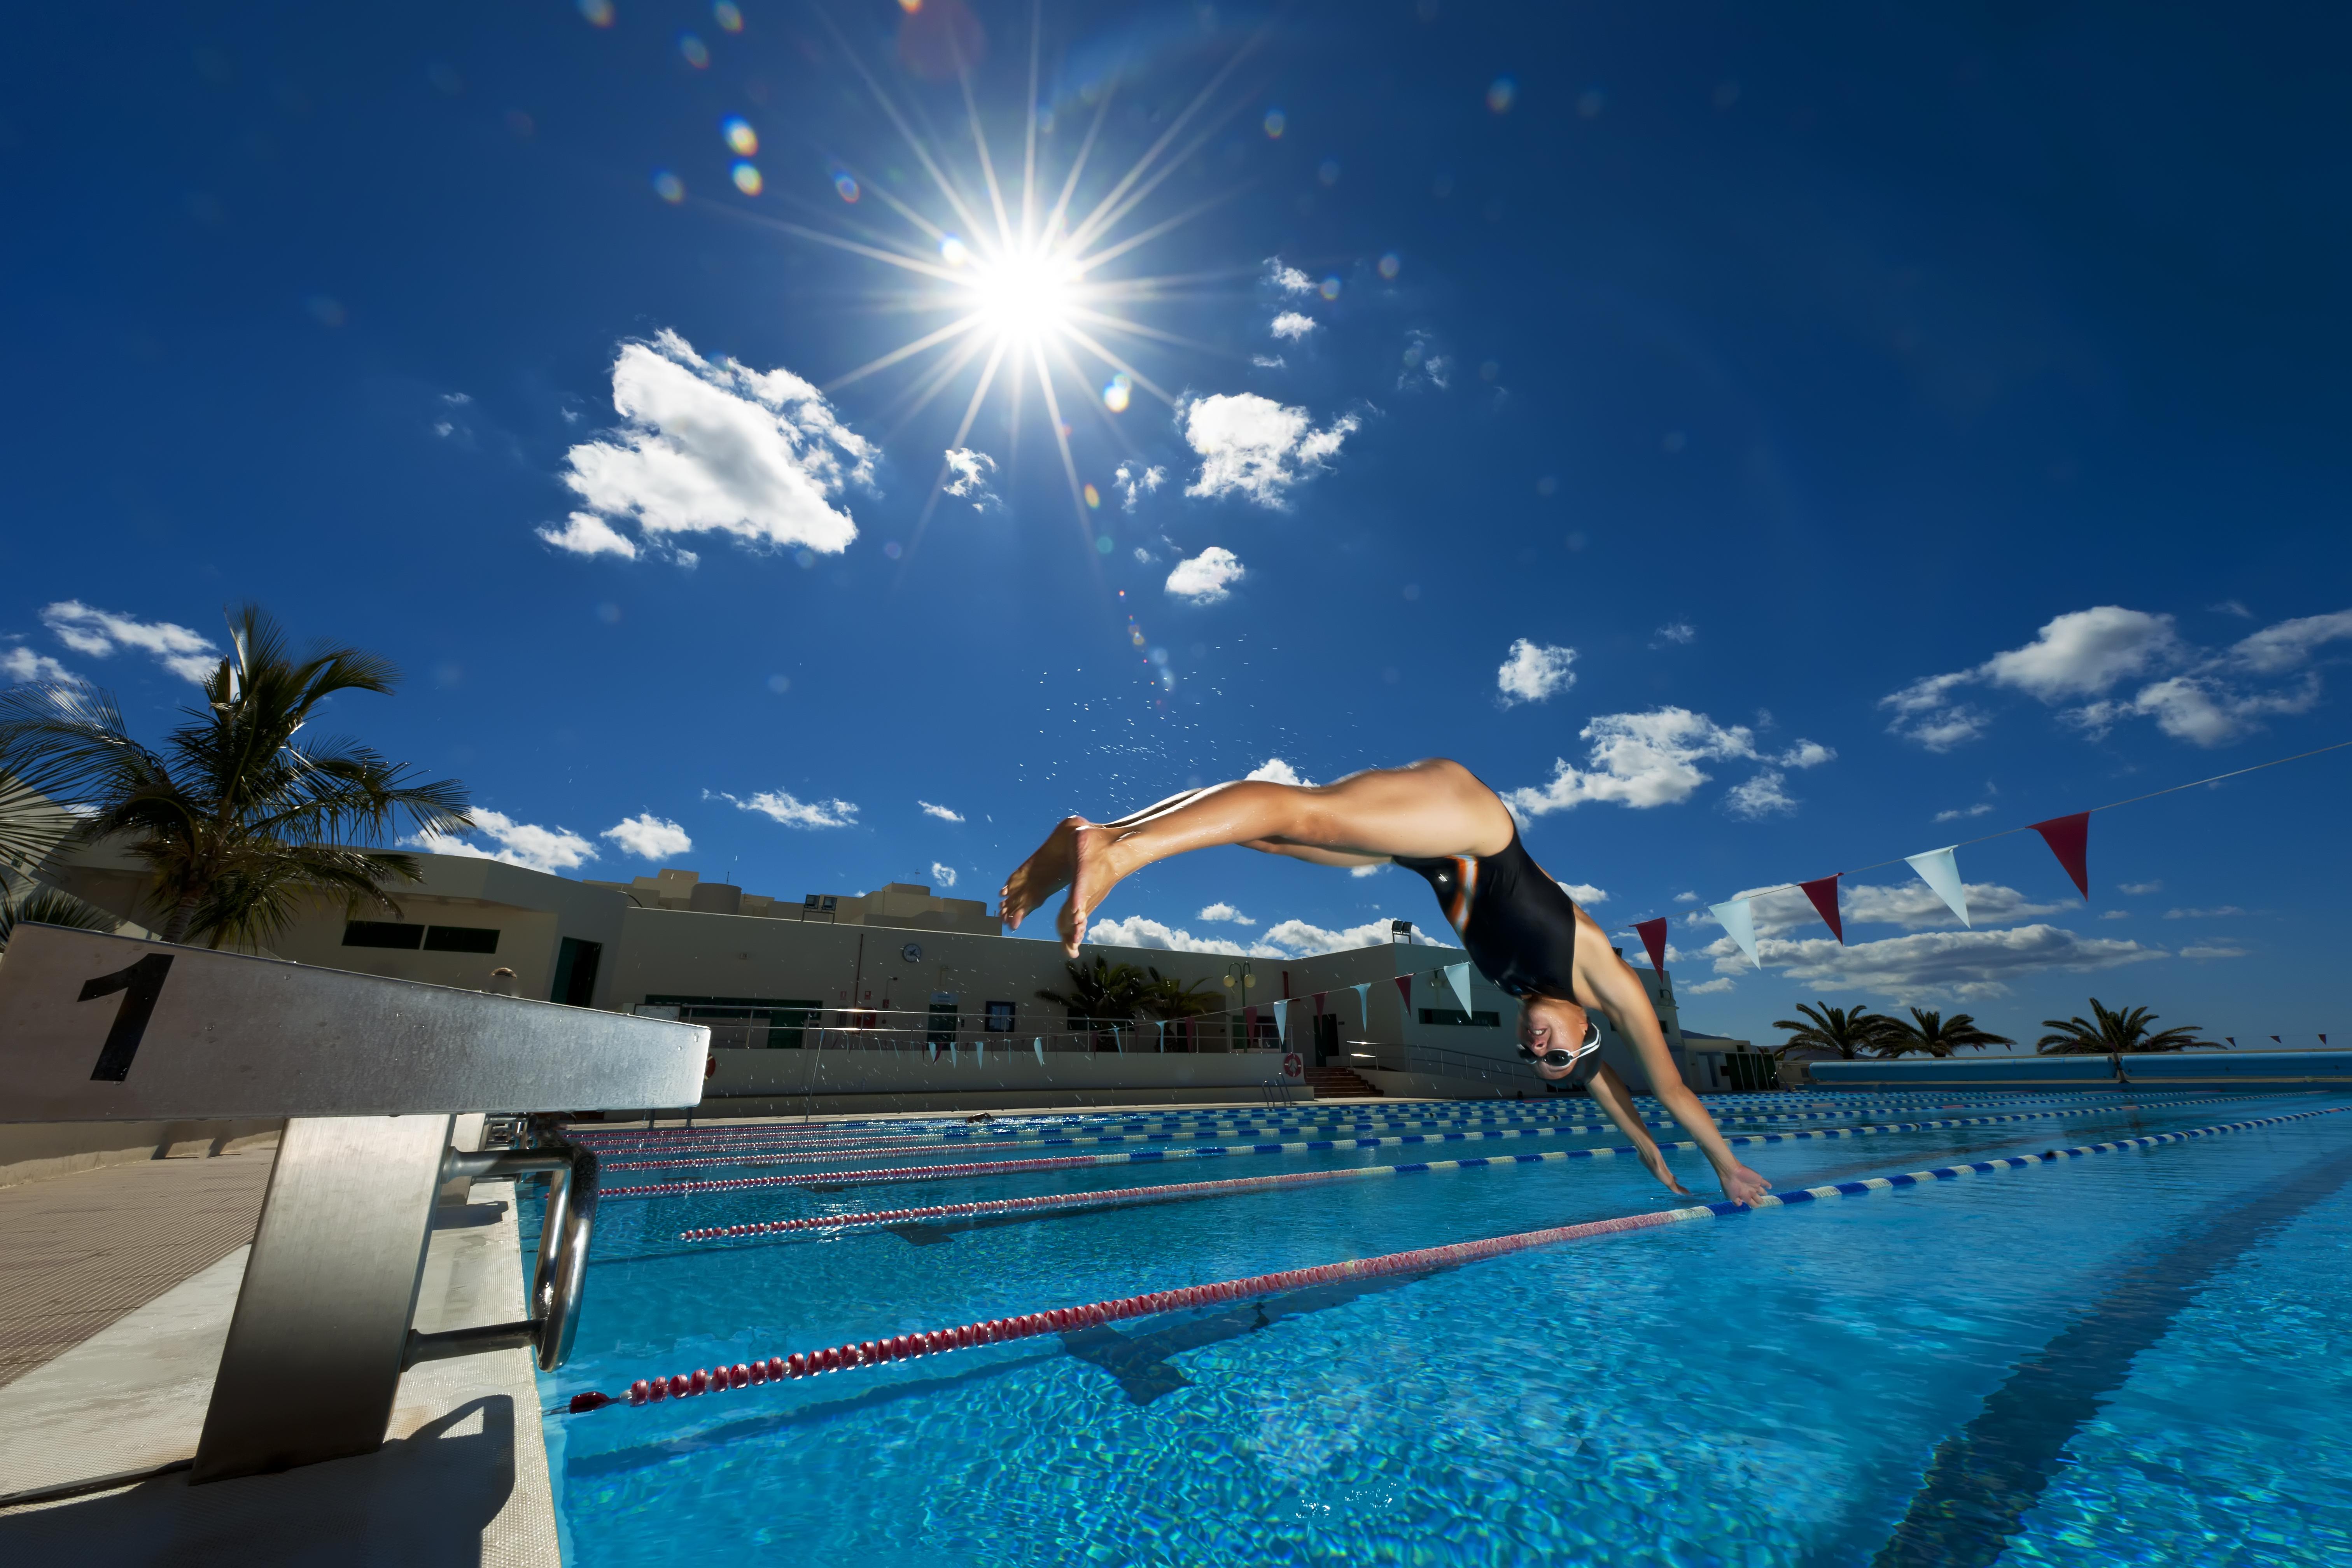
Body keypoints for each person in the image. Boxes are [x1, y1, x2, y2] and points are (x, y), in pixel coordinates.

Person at [999, 758, 1772, 1206]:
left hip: (1432, 853)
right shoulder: (1606, 979)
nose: (1536, 1049)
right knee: (1310, 818)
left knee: (1275, 836)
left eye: (1536, 1059)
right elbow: (1669, 1090)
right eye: (1554, 1055)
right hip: (1474, 825)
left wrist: (1646, 1154)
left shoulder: (1542, 1010)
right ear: (1587, 1034)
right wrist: (1724, 1164)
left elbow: (1612, 1094)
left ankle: (1093, 835)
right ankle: (1118, 852)